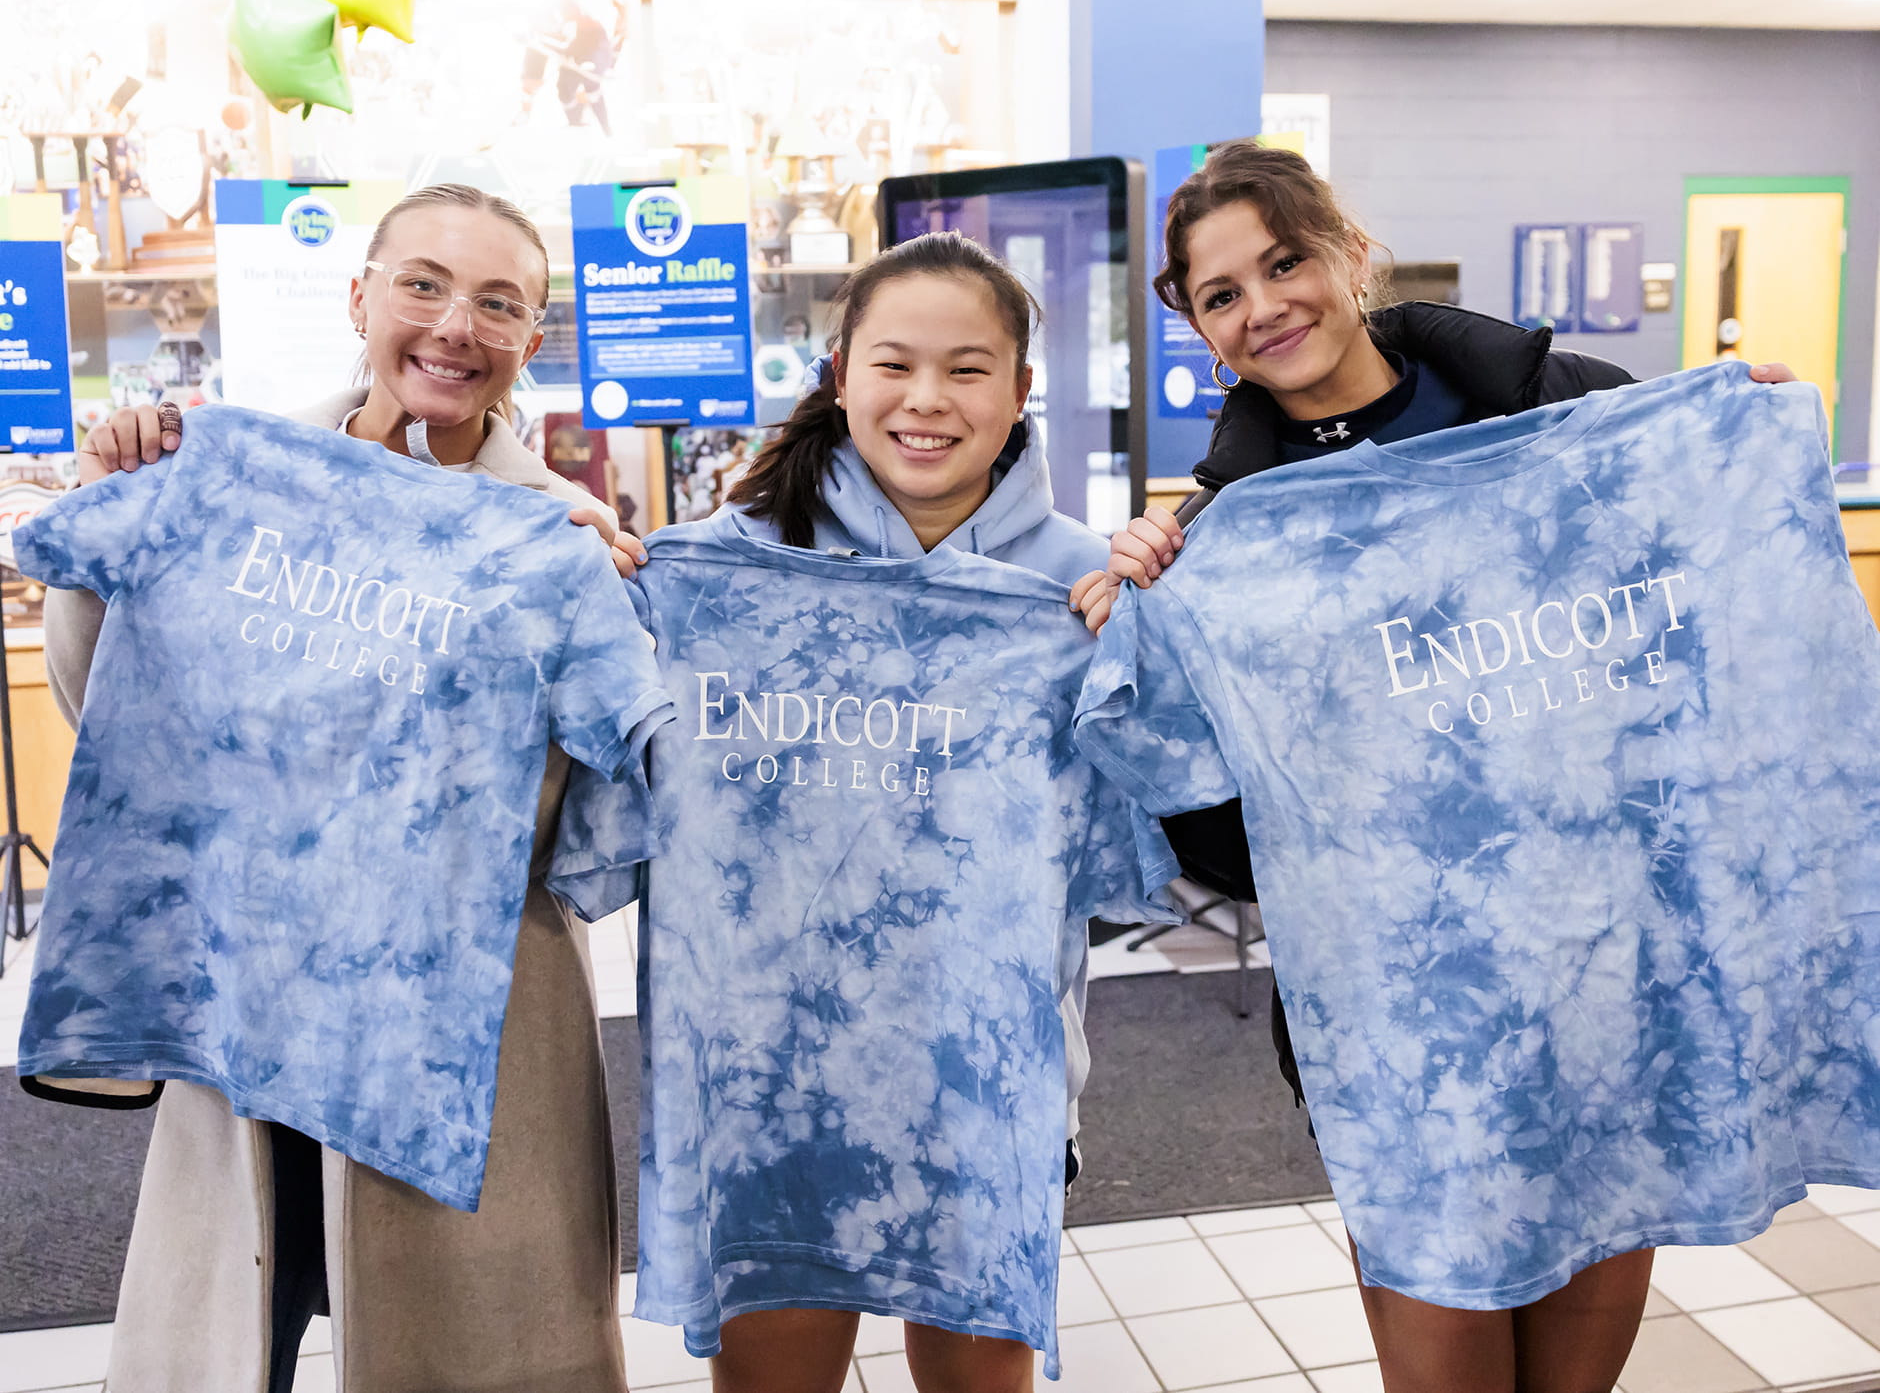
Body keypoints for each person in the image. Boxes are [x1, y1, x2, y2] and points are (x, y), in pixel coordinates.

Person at [1068, 140, 1797, 1393]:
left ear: (1351, 256)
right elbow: (1229, 846)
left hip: (1605, 966)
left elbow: (1705, 638)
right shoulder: (1230, 532)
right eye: (1221, 295)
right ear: (1199, 333)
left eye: (1282, 262)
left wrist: (1742, 447)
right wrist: (1156, 643)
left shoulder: (1569, 407)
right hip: (1403, 1015)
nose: (1263, 306)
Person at [49, 182, 645, 1393]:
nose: (453, 326)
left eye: (498, 303)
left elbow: (593, 814)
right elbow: (105, 703)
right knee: (230, 1325)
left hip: (469, 1012)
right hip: (251, 993)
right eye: (422, 284)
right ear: (359, 296)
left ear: (532, 339)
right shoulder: (233, 483)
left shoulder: (556, 536)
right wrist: (115, 508)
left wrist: (604, 612)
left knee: (472, 1346)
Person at [621, 230, 1142, 1393]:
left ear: (1019, 392)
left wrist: (1147, 637)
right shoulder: (723, 572)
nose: (926, 400)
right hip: (772, 1080)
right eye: (894, 364)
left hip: (981, 1077)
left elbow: (1158, 818)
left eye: (967, 369)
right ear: (840, 372)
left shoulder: (1081, 589)